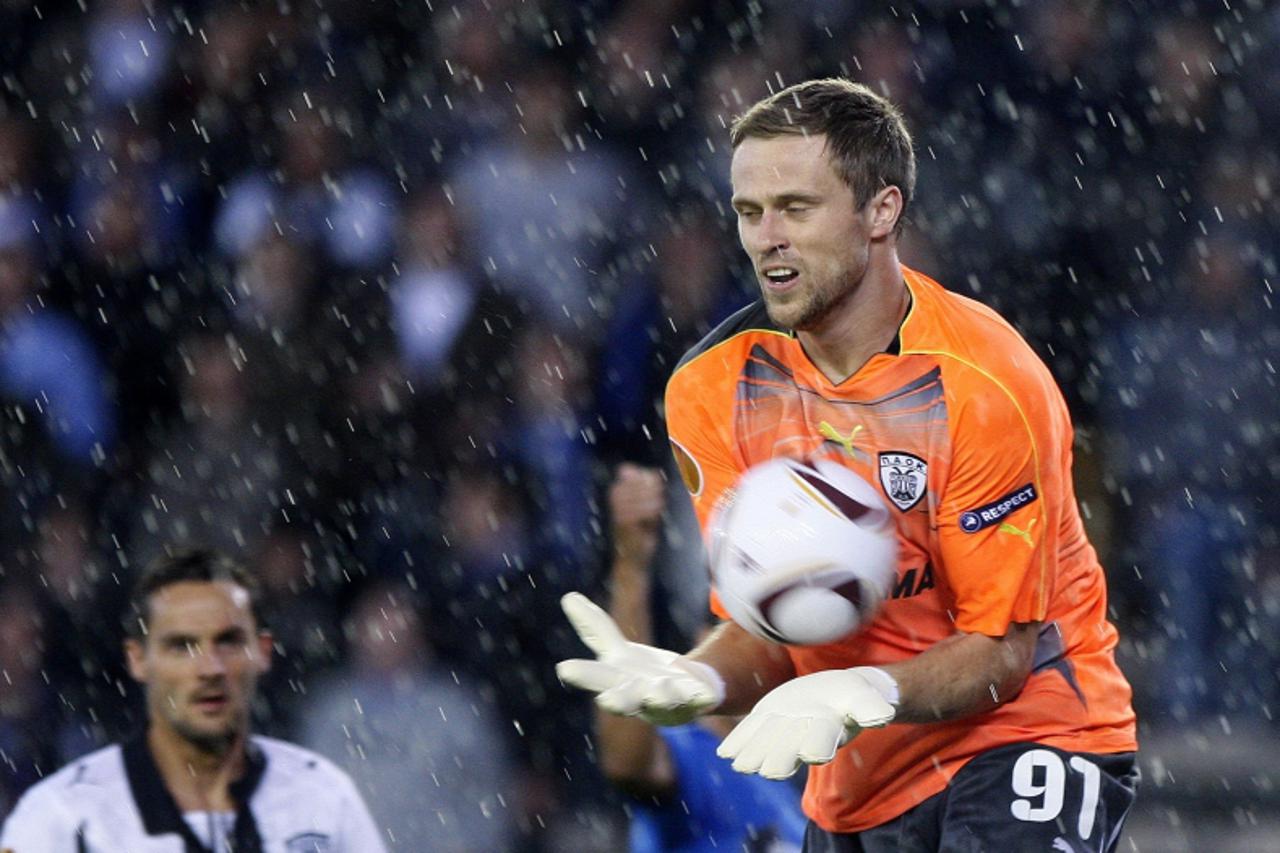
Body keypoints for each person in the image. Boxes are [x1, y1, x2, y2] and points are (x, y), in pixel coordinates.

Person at [557, 78, 1139, 852]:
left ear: (881, 211)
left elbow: (1002, 654)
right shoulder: (710, 389)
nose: (768, 236)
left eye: (797, 208)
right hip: (857, 781)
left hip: (1030, 728)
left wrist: (864, 687)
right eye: (749, 212)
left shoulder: (985, 380)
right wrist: (699, 677)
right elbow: (770, 618)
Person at [0, 548, 388, 852]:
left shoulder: (323, 798)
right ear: (138, 660)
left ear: (264, 652)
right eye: (182, 646)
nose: (210, 668)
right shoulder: (61, 816)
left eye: (228, 642)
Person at [596, 464, 805, 853]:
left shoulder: (793, 798)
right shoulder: (694, 756)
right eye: (752, 643)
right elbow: (627, 762)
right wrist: (632, 567)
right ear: (705, 644)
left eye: (781, 650)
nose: (768, 669)